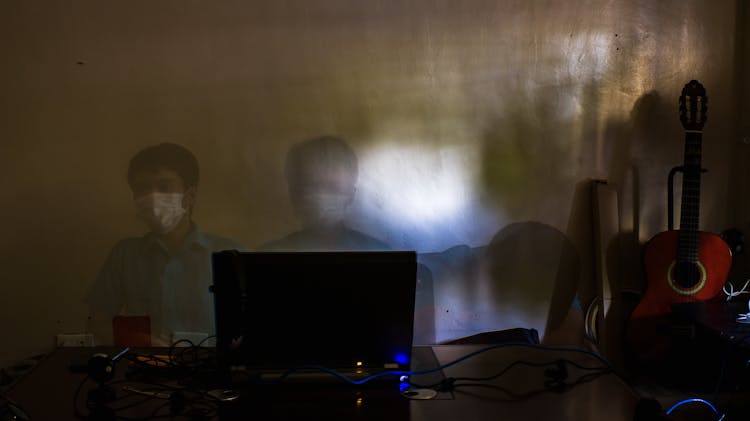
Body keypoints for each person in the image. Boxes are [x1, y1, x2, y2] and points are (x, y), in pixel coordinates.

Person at [86, 142, 245, 346]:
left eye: (164, 186)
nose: (152, 197)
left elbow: (254, 326)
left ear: (190, 195)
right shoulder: (124, 254)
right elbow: (97, 323)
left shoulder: (231, 253)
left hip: (211, 373)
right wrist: (141, 342)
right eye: (142, 188)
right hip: (146, 371)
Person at [258, 135, 391, 251]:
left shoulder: (380, 254)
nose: (322, 195)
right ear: (294, 194)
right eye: (313, 186)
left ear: (351, 193)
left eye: (333, 186)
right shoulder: (269, 257)